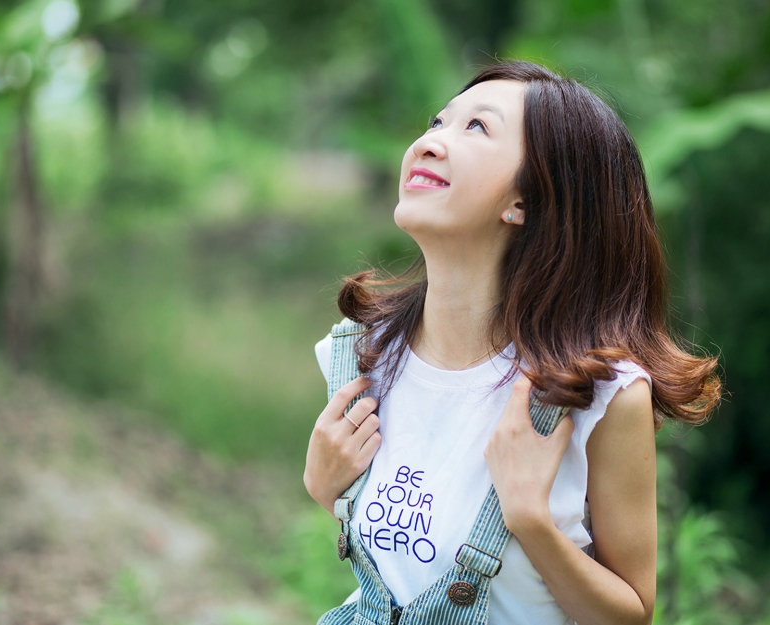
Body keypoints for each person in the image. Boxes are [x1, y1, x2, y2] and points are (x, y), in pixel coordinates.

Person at [303, 60, 721, 625]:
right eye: (437, 121)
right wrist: (328, 490)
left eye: (476, 127)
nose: (430, 142)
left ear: (524, 200)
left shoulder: (599, 396)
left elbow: (631, 615)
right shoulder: (362, 354)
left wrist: (531, 520)